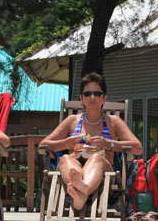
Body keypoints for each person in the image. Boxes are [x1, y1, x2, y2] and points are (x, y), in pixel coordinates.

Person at [40, 72, 142, 210]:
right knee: (64, 158)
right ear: (81, 98)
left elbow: (137, 148)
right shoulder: (72, 121)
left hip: (102, 170)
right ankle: (81, 194)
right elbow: (42, 146)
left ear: (104, 98)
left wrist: (109, 144)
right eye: (87, 94)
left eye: (97, 93)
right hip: (74, 165)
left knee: (96, 158)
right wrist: (65, 143)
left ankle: (83, 190)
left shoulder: (113, 121)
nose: (92, 97)